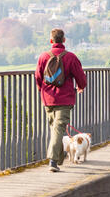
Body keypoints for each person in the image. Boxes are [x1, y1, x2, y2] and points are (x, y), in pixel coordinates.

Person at [35, 29, 87, 172]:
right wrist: (81, 86)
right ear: (64, 40)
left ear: (51, 41)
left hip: (48, 99)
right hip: (64, 98)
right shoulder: (71, 57)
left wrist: (43, 90)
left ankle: (59, 157)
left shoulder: (43, 57)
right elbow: (80, 77)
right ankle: (53, 161)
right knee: (58, 128)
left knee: (55, 128)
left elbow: (38, 77)